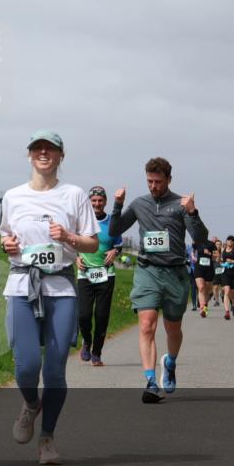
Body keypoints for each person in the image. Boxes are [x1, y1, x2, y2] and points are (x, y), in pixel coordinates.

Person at [1, 131, 99, 464]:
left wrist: (69, 237)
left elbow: (92, 243)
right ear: (30, 155)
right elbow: (6, 235)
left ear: (61, 155)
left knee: (55, 370)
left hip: (60, 288)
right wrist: (6, 245)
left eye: (50, 149)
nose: (43, 153)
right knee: (27, 365)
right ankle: (31, 404)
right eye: (37, 148)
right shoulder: (13, 196)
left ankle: (47, 438)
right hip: (21, 286)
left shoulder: (74, 195)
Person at [109, 157, 208, 403]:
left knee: (173, 329)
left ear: (169, 180)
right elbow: (114, 231)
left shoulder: (180, 205)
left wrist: (193, 212)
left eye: (158, 182)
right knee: (146, 325)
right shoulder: (139, 204)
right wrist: (117, 205)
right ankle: (151, 382)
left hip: (175, 273)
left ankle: (170, 363)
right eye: (149, 181)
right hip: (147, 270)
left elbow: (200, 239)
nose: (153, 186)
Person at [76, 186, 123, 366]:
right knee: (84, 315)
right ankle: (87, 341)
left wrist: (115, 251)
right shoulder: (81, 221)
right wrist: (76, 258)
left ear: (105, 202)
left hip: (106, 274)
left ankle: (97, 353)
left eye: (100, 200)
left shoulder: (112, 222)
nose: (97, 204)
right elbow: (73, 243)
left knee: (102, 316)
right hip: (85, 274)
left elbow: (118, 244)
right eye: (94, 200)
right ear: (89, 202)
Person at [193, 236, 218, 317]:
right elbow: (193, 250)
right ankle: (202, 308)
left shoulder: (211, 244)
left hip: (208, 269)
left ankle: (205, 307)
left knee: (206, 290)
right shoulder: (197, 242)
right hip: (199, 268)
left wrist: (209, 253)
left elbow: (217, 255)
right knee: (201, 288)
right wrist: (193, 256)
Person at [212, 238, 225, 306]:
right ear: (215, 245)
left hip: (223, 271)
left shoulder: (224, 252)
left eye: (220, 244)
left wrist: (221, 256)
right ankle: (216, 301)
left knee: (223, 288)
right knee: (215, 287)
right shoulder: (213, 252)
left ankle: (222, 294)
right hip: (215, 271)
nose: (218, 245)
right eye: (217, 244)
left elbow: (225, 259)